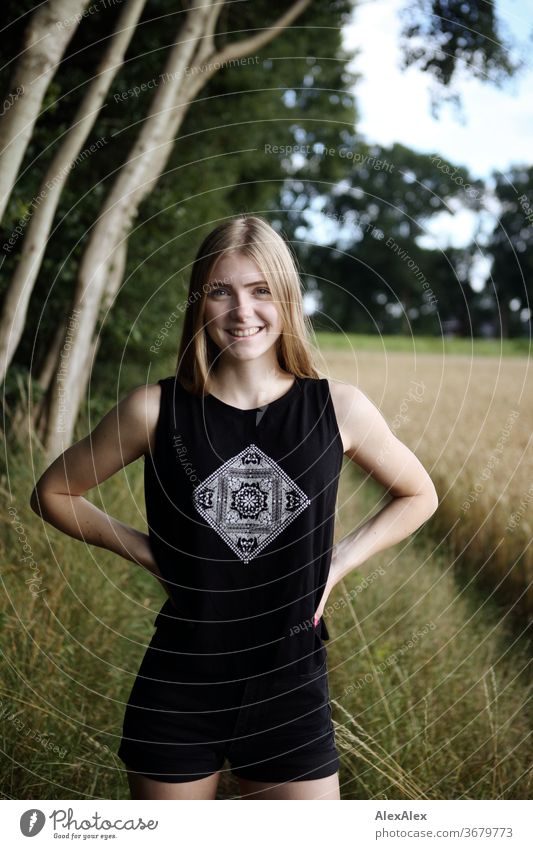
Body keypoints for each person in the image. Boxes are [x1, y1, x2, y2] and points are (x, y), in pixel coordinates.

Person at [30, 214, 438, 800]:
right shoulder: (154, 411)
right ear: (199, 302)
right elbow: (53, 492)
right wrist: (154, 557)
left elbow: (419, 494)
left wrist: (337, 564)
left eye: (260, 291)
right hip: (180, 683)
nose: (242, 311)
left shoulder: (338, 410)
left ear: (288, 298)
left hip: (290, 682)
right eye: (221, 291)